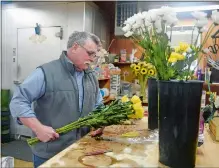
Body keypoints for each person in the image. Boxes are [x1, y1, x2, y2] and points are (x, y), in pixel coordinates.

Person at [9, 31, 103, 168]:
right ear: (75, 47)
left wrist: (100, 122)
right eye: (90, 53)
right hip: (50, 153)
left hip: (82, 148)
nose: (93, 59)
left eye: (95, 55)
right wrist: (38, 128)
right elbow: (18, 101)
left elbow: (98, 104)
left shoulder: (91, 76)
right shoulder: (46, 73)